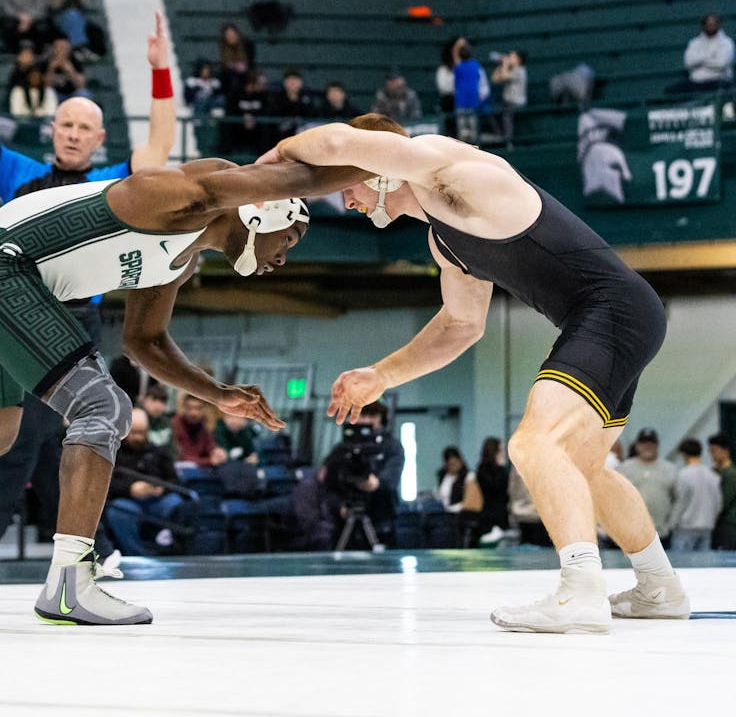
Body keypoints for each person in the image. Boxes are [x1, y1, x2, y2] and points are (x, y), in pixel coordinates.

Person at [0, 132, 363, 624]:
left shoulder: (181, 257)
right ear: (263, 213)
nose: (282, 259)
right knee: (103, 407)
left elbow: (145, 341)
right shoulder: (178, 195)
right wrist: (380, 161)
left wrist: (216, 393)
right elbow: (295, 177)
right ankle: (70, 581)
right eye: (289, 242)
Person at [259, 113, 689, 634]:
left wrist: (275, 160)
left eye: (342, 184)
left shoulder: (449, 169)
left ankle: (581, 591)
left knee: (534, 444)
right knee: (583, 467)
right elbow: (461, 326)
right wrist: (381, 375)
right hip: (618, 314)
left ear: (376, 166)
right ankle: (659, 587)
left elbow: (334, 141)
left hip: (611, 311)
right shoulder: (444, 240)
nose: (342, 199)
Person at [0, 8, 177, 587]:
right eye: (64, 124)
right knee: (29, 443)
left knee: (39, 443)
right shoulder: (20, 175)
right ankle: (70, 551)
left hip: (74, 324)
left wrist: (160, 72)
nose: (71, 133)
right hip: (17, 322)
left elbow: (159, 148)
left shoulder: (115, 183)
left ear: (98, 139)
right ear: (52, 130)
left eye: (82, 127)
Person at [104, 407, 191, 556]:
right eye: (134, 433)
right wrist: (130, 489)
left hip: (157, 500)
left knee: (176, 503)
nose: (138, 437)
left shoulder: (159, 452)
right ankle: (135, 554)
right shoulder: (112, 452)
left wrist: (161, 488)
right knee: (119, 510)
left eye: (142, 433)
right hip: (126, 500)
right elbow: (105, 485)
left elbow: (174, 481)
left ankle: (174, 551)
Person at [317, 400, 402, 545]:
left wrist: (376, 483)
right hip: (344, 523)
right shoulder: (341, 450)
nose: (367, 420)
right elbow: (327, 483)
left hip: (381, 520)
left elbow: (391, 479)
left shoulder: (391, 446)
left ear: (381, 417)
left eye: (372, 415)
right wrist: (339, 506)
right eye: (362, 415)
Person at [617, 428, 677, 541]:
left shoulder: (670, 469)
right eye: (643, 442)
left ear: (657, 445)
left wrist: (671, 525)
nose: (647, 446)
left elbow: (679, 499)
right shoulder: (624, 469)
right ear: (637, 445)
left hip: (662, 534)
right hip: (631, 534)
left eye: (651, 443)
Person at [669, 438, 721, 552]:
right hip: (706, 527)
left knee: (681, 561)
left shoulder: (683, 475)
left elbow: (680, 503)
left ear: (684, 455)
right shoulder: (713, 476)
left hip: (685, 527)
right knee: (703, 562)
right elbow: (718, 504)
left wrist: (671, 524)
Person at [681, 13, 734, 91]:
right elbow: (688, 63)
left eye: (713, 24)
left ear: (718, 25)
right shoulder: (694, 43)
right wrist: (710, 57)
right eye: (708, 24)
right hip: (695, 82)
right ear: (703, 26)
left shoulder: (727, 42)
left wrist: (699, 61)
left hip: (718, 81)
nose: (711, 26)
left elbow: (722, 63)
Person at [173, 393, 227, 467]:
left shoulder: (203, 425)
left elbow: (210, 446)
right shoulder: (175, 425)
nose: (193, 413)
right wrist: (209, 461)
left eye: (198, 408)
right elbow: (181, 457)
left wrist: (217, 452)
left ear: (203, 409)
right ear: (183, 408)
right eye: (189, 408)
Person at [490, 50, 527, 147]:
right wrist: (501, 65)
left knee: (507, 113)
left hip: (516, 103)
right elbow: (494, 79)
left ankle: (508, 143)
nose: (509, 58)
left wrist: (505, 64)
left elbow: (504, 76)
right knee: (492, 111)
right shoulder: (510, 69)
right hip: (507, 103)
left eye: (512, 57)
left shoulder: (520, 70)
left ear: (518, 60)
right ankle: (501, 138)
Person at [475, 436, 509, 541]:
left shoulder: (485, 469)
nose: (504, 453)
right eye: (501, 450)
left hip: (497, 514)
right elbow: (496, 487)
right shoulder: (484, 470)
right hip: (492, 516)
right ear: (495, 452)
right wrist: (501, 467)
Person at [708, 433, 736, 549]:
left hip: (729, 524)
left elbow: (723, 502)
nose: (712, 454)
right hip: (720, 523)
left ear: (725, 451)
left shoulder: (731, 474)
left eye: (714, 451)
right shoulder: (715, 471)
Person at [141, 383, 176, 454]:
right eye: (154, 399)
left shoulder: (166, 422)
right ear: (144, 400)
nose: (158, 405)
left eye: (162, 401)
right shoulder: (136, 418)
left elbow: (173, 450)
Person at [436, 446, 468, 513]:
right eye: (451, 464)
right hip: (443, 511)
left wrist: (452, 508)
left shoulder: (468, 477)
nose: (454, 466)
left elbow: (468, 501)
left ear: (460, 461)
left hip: (460, 512)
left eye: (455, 463)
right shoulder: (443, 476)